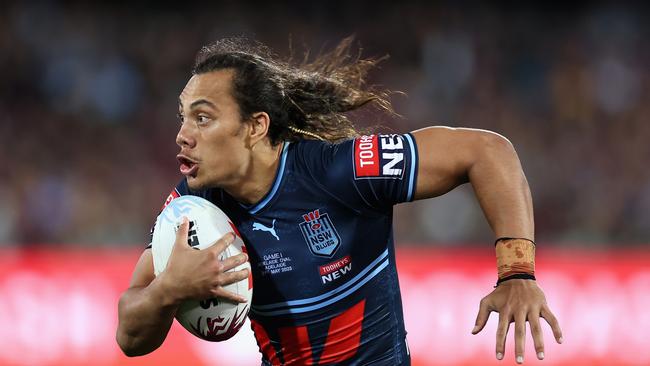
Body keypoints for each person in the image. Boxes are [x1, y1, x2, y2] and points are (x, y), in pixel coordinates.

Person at [116, 37, 563, 365]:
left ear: (255, 127)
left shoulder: (337, 172)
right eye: (183, 116)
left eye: (203, 117)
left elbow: (487, 151)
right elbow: (129, 335)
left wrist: (517, 272)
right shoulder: (194, 210)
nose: (182, 134)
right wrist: (168, 290)